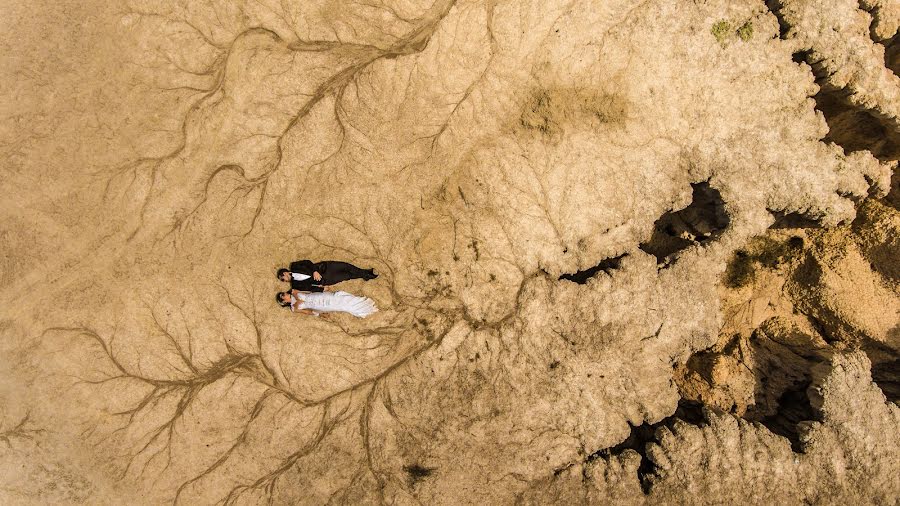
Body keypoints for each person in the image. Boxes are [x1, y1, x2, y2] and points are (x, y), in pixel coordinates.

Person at [277, 259, 377, 292]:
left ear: (285, 273)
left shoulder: (294, 266)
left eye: (283, 278)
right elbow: (309, 288)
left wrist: (314, 271)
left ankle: (366, 274)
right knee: (346, 276)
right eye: (283, 281)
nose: (284, 280)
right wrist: (322, 289)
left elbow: (307, 262)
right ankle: (367, 274)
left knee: (346, 267)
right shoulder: (295, 285)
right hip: (325, 279)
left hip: (325, 267)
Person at [277, 289, 378, 318]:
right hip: (318, 306)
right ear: (284, 301)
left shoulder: (293, 291)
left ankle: (357, 300)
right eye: (283, 296)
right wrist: (319, 314)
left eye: (283, 293)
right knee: (341, 306)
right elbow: (307, 312)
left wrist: (323, 289)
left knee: (339, 298)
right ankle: (362, 308)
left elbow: (308, 290)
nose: (285, 294)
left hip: (318, 296)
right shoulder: (293, 309)